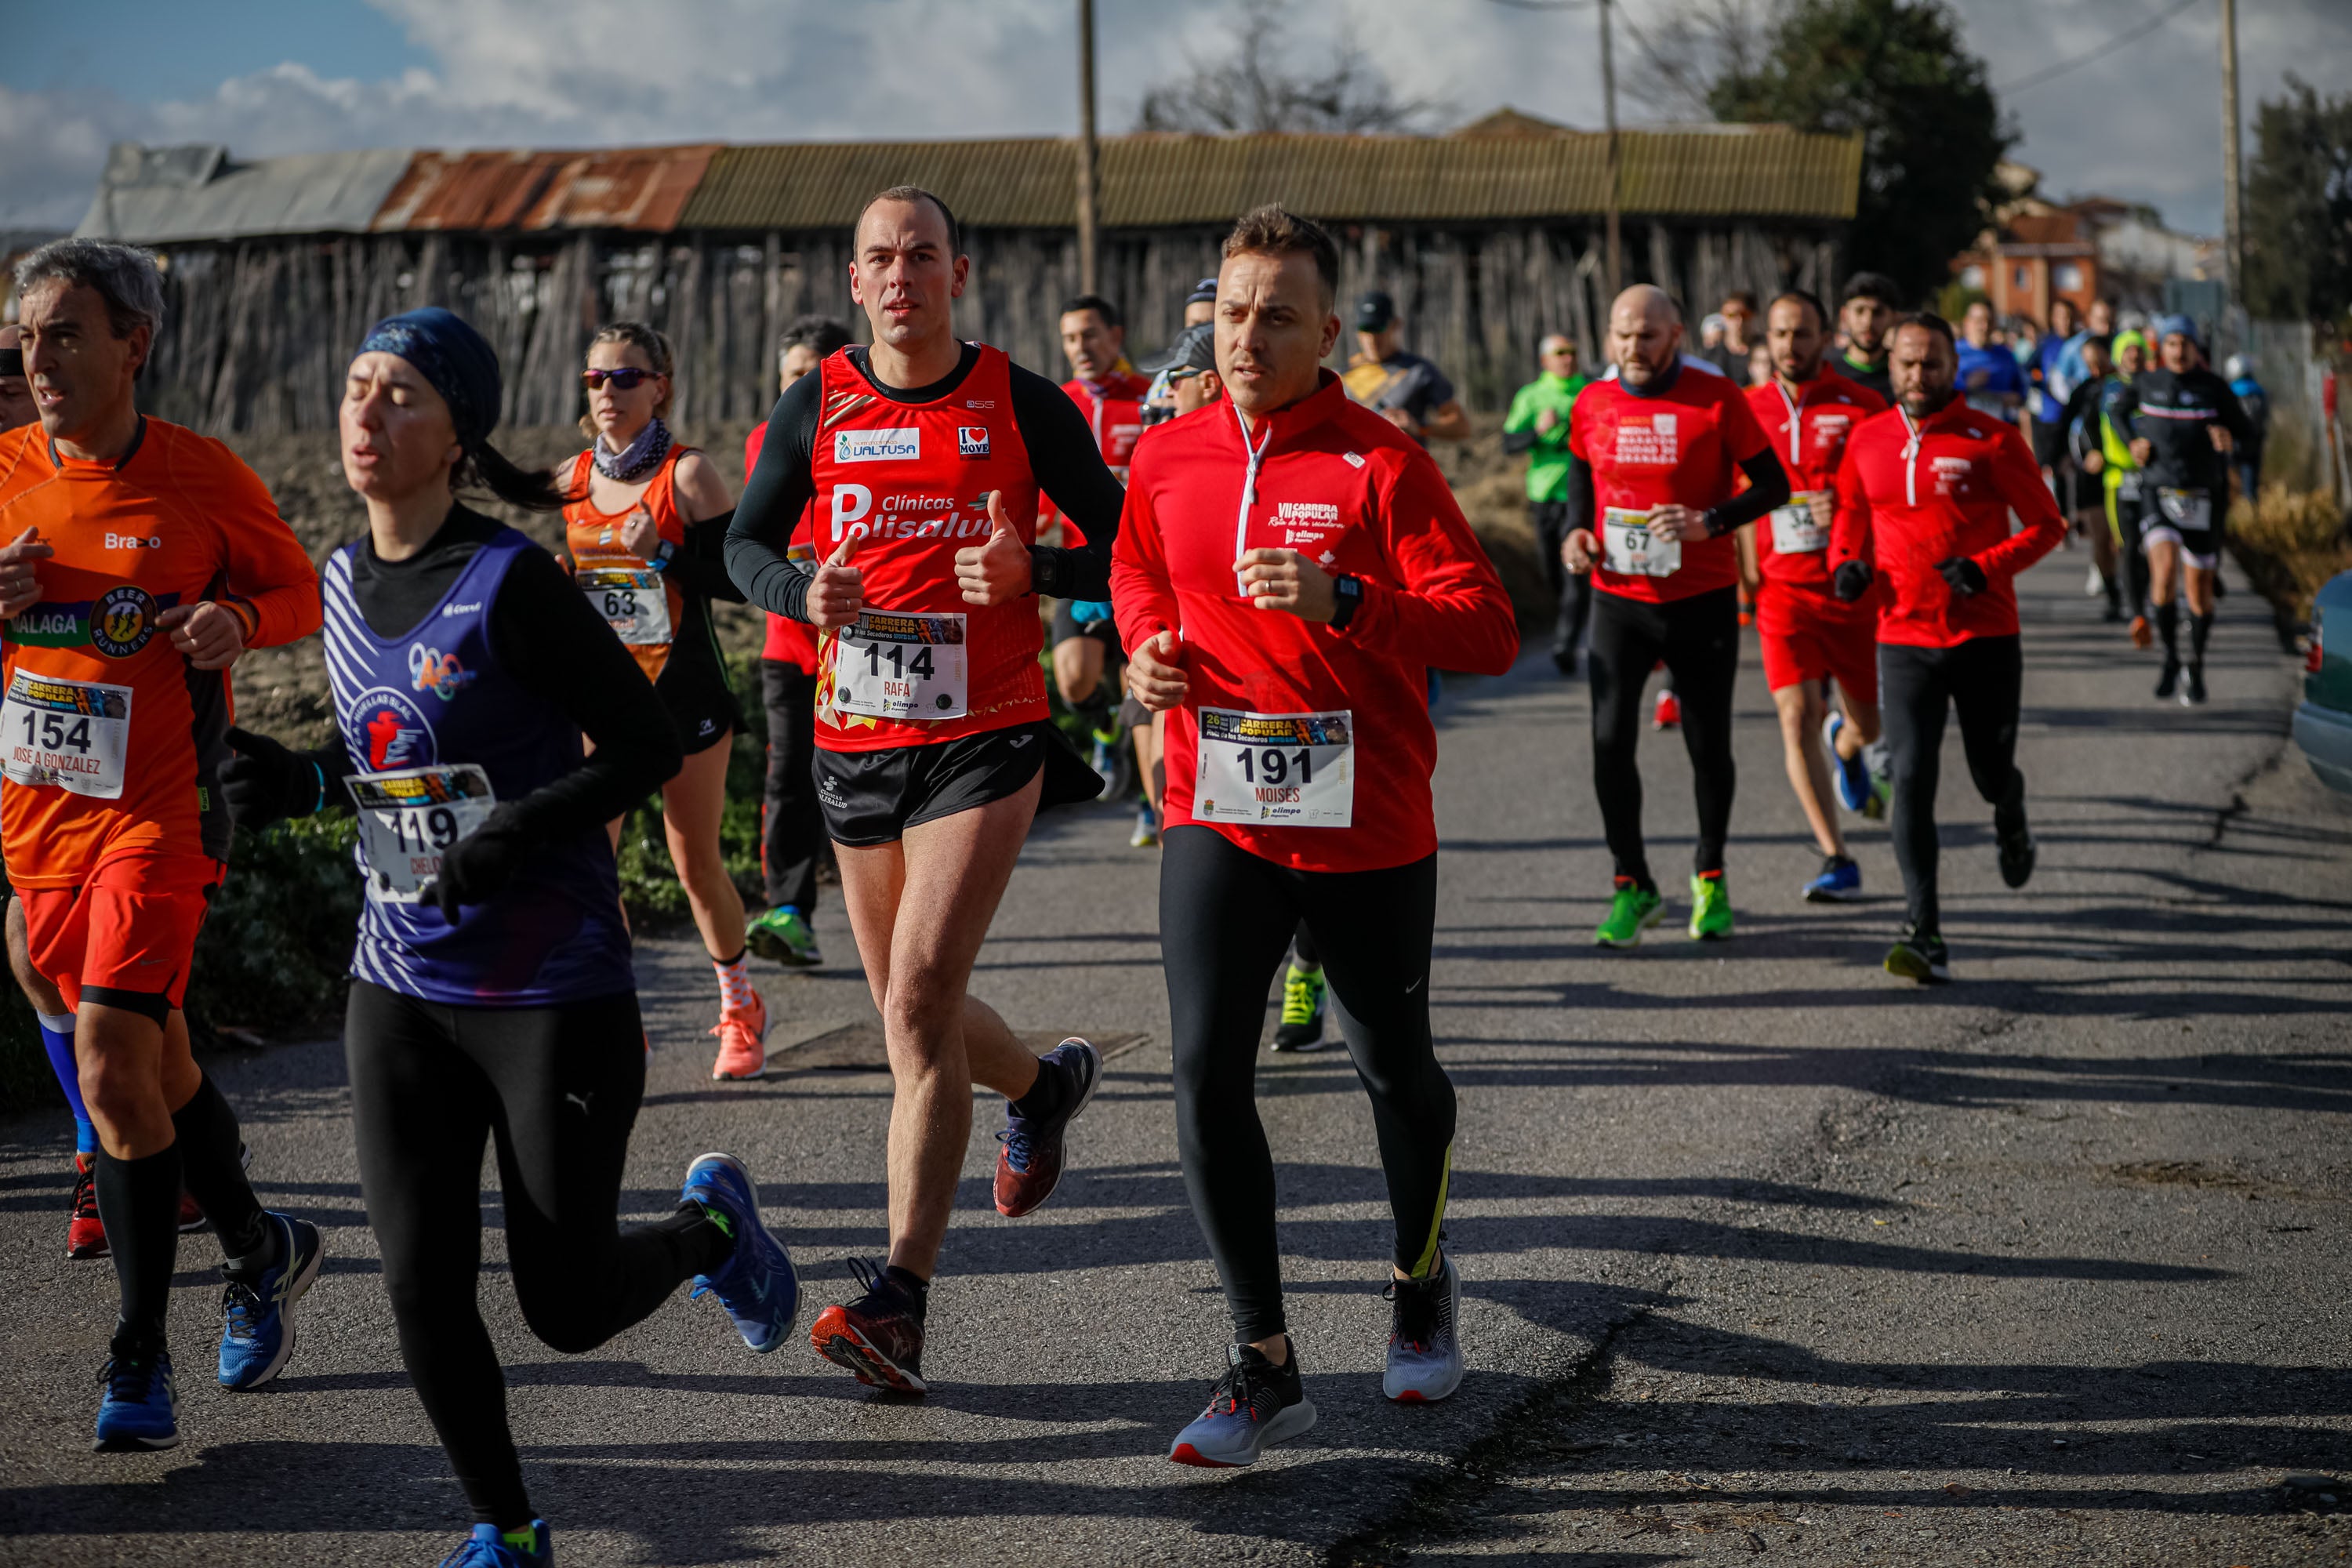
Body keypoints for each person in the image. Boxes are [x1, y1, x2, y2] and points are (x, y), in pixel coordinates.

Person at [219, 307, 797, 1568]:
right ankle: (507, 1528)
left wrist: (522, 831)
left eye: (402, 397)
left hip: (549, 987)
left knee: (568, 1307)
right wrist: (303, 786)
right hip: (401, 980)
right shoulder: (335, 579)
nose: (366, 417)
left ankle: (712, 1234)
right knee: (421, 1284)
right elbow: (386, 757)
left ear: (458, 434)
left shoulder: (511, 583)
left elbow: (649, 745)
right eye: (358, 389)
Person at [1113, 203, 1518, 1467]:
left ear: (1328, 330)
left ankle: (1419, 1276)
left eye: (1277, 315)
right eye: (1233, 312)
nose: (1248, 335)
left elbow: (1489, 628)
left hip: (1367, 819)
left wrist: (1354, 600)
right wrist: (1141, 652)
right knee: (1200, 1073)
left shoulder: (1381, 463)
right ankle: (1263, 1359)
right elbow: (1136, 572)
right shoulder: (1166, 455)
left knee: (1393, 1068)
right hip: (1217, 805)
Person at [727, 185, 1121, 1393]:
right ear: (857, 283)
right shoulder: (819, 402)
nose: (902, 275)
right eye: (880, 259)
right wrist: (801, 594)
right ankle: (1044, 1086)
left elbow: (1128, 537)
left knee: (913, 1006)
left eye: (924, 255)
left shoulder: (1018, 399)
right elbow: (739, 548)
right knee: (920, 1011)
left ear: (959, 273)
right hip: (856, 743)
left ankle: (901, 1298)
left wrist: (1036, 570)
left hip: (984, 735)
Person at [1, 239, 324, 1451]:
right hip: (40, 822)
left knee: (106, 1062)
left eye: (65, 333)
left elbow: (299, 589)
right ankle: (260, 1246)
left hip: (161, 814)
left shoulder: (199, 477)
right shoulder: (3, 471)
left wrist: (237, 619)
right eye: (28, 337)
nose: (39, 360)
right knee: (157, 1065)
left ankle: (138, 1356)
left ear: (133, 344)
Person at [1829, 313, 2064, 982]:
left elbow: (2049, 526)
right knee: (1910, 779)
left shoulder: (1990, 440)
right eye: (1906, 362)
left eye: (1930, 363)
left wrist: (1987, 566)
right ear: (1890, 363)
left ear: (1953, 368)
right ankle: (1923, 929)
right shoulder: (1867, 440)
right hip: (1903, 637)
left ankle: (2011, 817)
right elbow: (1852, 514)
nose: (1916, 375)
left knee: (1991, 774)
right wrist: (1848, 563)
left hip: (1985, 635)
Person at [562, 323, 767, 1080]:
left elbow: (737, 582)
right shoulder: (571, 479)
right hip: (605, 701)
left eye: (625, 378)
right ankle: (622, 1022)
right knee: (592, 863)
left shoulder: (689, 477)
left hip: (687, 698)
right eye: (596, 380)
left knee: (695, 865)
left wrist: (665, 555)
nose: (608, 393)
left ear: (660, 386)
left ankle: (740, 1009)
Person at [1562, 285, 1790, 946]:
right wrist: (1575, 535)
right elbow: (1581, 476)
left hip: (1700, 599)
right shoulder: (1592, 401)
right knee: (1608, 742)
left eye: (1648, 336)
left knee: (1706, 743)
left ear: (1677, 336)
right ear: (1609, 338)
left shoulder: (1717, 399)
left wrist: (1710, 522)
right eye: (1623, 335)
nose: (1634, 348)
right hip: (1618, 600)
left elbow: (1774, 484)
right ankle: (1632, 884)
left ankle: (1710, 874)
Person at [1739, 290, 1890, 902]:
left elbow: (1890, 497)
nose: (1789, 346)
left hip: (1852, 589)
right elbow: (1741, 503)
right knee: (1794, 714)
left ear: (1825, 338)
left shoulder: (1863, 405)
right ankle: (1836, 856)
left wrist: (1846, 506)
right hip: (1782, 593)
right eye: (1779, 334)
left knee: (1868, 725)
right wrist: (1746, 585)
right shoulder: (1746, 409)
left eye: (1801, 333)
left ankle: (1847, 745)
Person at [743, 314, 855, 971]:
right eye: (791, 376)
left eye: (813, 376)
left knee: (864, 782)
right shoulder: (766, 438)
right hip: (789, 646)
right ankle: (789, 910)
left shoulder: (877, 436)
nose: (802, 389)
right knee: (790, 777)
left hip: (870, 649)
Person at [2114, 316, 2253, 705]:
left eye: (2185, 344)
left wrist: (2230, 440)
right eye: (2172, 344)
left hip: (2204, 496)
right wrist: (2132, 443)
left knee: (2199, 591)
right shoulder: (2147, 382)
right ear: (2162, 348)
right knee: (2164, 573)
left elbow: (2248, 431)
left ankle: (2195, 664)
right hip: (2158, 490)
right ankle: (2170, 658)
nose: (2178, 351)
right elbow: (2116, 413)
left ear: (2196, 349)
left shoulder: (2214, 389)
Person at [1124, 320, 1226, 848]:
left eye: (1174, 377)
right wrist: (1144, 633)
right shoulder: (1160, 446)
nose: (1164, 389)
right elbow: (1132, 562)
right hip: (1168, 648)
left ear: (1208, 383)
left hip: (1227, 673)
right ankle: (1169, 830)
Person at [1047, 293, 1150, 790]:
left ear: (1116, 336)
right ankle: (1107, 731)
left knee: (1143, 682)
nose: (1079, 346)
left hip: (1145, 565)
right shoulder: (1058, 402)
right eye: (1070, 338)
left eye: (1089, 334)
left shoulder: (1149, 398)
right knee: (1072, 681)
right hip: (1085, 567)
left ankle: (1153, 794)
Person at [1504, 334, 1593, 674]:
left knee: (1575, 573)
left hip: (1579, 496)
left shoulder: (1589, 392)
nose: (1568, 358)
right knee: (1551, 570)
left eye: (1572, 351)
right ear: (1545, 361)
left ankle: (1565, 644)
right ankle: (1568, 623)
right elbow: (1509, 443)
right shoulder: (1532, 396)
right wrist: (1538, 433)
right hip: (1542, 494)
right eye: (1560, 353)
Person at [2056, 333, 2125, 622]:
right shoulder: (2083, 390)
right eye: (2087, 363)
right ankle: (2113, 594)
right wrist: (2061, 459)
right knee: (2100, 537)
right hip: (2090, 474)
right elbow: (2063, 426)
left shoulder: (2123, 387)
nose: (2093, 367)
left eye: (2098, 360)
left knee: (2121, 540)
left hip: (2119, 472)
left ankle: (2134, 586)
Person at [1341, 291, 1470, 444]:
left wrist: (1420, 428)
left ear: (1396, 325)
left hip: (1402, 465)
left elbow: (1461, 426)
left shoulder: (1419, 372)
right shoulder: (1339, 375)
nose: (1372, 338)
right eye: (1366, 328)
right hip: (1354, 465)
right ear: (1357, 331)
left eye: (1379, 328)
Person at [1834, 272, 1902, 401]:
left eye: (1878, 313)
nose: (1868, 322)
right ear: (1844, 315)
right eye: (1859, 311)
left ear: (1894, 318)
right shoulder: (1825, 370)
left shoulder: (1905, 376)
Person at [1956, 300, 2027, 423]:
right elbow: (1941, 394)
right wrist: (1967, 385)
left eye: (1989, 321)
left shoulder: (2006, 354)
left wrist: (2016, 398)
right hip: (1965, 428)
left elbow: (2021, 389)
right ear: (1967, 323)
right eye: (1979, 321)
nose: (1985, 327)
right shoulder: (1954, 353)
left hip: (2000, 428)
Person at [2225, 354, 2270, 503]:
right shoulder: (2259, 391)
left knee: (2229, 475)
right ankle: (2250, 504)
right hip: (2254, 440)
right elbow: (2265, 415)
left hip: (2234, 441)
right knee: (2250, 475)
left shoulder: (2230, 391)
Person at [1702, 291, 1759, 385]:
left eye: (1744, 315)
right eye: (1732, 315)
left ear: (1753, 316)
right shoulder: (1712, 358)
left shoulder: (1765, 352)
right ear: (1723, 317)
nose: (1739, 321)